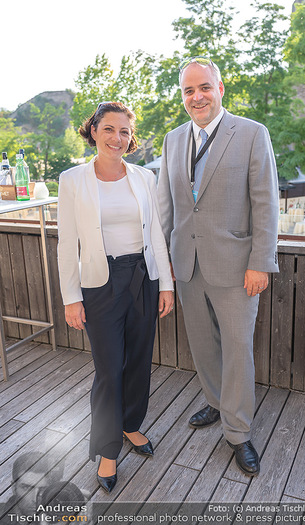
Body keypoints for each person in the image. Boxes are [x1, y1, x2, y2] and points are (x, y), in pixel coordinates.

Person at [157, 57, 279, 477]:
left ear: (220, 89)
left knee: (238, 350)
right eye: (189, 90)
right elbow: (165, 207)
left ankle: (238, 432)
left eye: (204, 87)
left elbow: (266, 202)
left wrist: (261, 262)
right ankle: (214, 401)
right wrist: (163, 263)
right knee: (204, 345)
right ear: (183, 96)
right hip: (186, 266)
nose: (197, 97)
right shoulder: (173, 141)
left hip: (237, 267)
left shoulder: (251, 133)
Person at [57, 101, 174, 493]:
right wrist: (71, 297)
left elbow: (156, 233)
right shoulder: (73, 180)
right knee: (109, 370)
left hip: (143, 277)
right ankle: (108, 449)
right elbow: (65, 243)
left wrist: (167, 284)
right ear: (94, 131)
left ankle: (131, 425)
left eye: (124, 131)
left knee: (139, 360)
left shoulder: (144, 177)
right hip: (99, 285)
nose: (117, 138)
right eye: (109, 129)